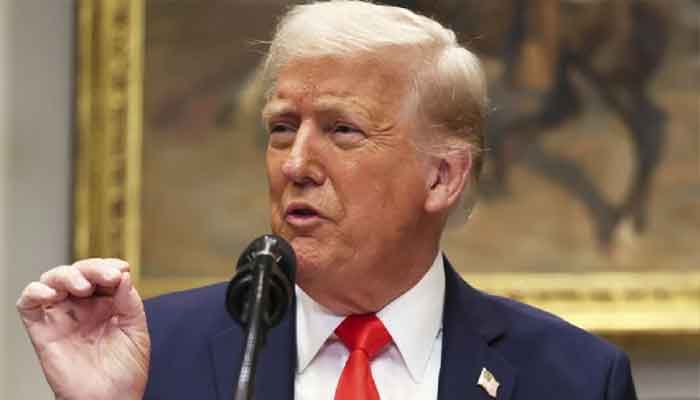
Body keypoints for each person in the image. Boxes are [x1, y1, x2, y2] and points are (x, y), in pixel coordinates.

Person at [16, 1, 637, 399]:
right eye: (282, 128)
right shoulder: (155, 356)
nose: (295, 164)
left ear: (442, 178)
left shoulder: (574, 379)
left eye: (343, 130)